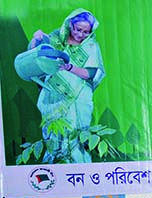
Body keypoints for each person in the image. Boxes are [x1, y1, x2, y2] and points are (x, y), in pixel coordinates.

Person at [28, 9, 105, 163]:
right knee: (54, 135)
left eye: (86, 31)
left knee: (76, 135)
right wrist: (35, 40)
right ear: (71, 24)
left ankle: (80, 169)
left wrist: (70, 68)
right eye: (78, 30)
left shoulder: (91, 46)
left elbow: (91, 73)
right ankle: (55, 168)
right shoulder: (56, 38)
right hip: (53, 94)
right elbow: (35, 55)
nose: (81, 34)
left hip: (78, 96)